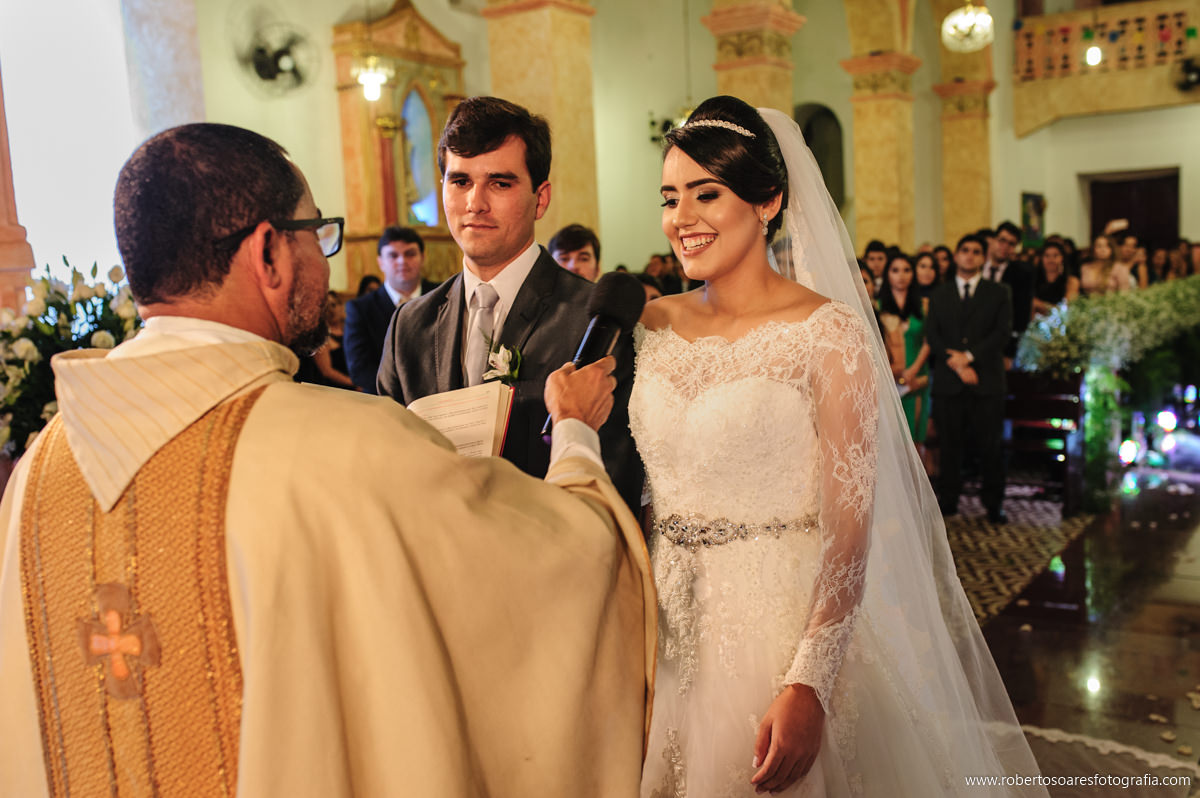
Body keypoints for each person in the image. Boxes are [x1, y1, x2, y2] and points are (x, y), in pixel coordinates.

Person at [0, 123, 655, 798]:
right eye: (317, 233)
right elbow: (570, 558)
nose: (326, 259)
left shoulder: (39, 473)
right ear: (269, 253)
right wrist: (573, 434)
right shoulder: (346, 448)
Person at [633, 96, 1044, 797]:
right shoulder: (649, 324)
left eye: (707, 194)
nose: (682, 218)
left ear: (768, 201)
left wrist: (810, 681)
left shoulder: (829, 333)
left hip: (775, 627)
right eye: (670, 198)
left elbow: (850, 532)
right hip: (662, 625)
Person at [377, 96, 644, 513]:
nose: (475, 203)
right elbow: (385, 466)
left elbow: (615, 474)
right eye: (460, 181)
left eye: (500, 183)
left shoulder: (592, 318)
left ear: (541, 198)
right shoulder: (409, 325)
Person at [927, 233, 1013, 523]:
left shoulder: (998, 292)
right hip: (949, 381)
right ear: (956, 256)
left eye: (976, 251)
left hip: (986, 381)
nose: (970, 255)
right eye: (965, 250)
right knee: (950, 446)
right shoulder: (940, 293)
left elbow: (1002, 333)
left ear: (983, 258)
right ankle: (949, 500)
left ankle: (994, 503)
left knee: (990, 446)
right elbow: (933, 334)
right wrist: (957, 363)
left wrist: (970, 357)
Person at [343, 226, 439, 393]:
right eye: (393, 255)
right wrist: (406, 393)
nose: (402, 261)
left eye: (410, 254)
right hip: (383, 401)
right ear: (380, 262)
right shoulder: (360, 309)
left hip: (441, 398)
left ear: (422, 257)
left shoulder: (443, 296)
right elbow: (359, 369)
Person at [878, 254, 931, 451]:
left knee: (915, 437)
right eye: (895, 270)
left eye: (907, 270)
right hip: (889, 376)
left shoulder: (924, 305)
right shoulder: (878, 306)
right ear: (887, 274)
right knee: (891, 439)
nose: (901, 275)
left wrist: (913, 369)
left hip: (917, 374)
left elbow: (929, 341)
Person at [1032, 241, 1079, 316]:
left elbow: (1066, 308)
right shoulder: (1033, 280)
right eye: (1047, 256)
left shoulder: (1071, 281)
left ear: (1062, 258)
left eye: (1055, 255)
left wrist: (1041, 305)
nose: (1051, 260)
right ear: (1041, 258)